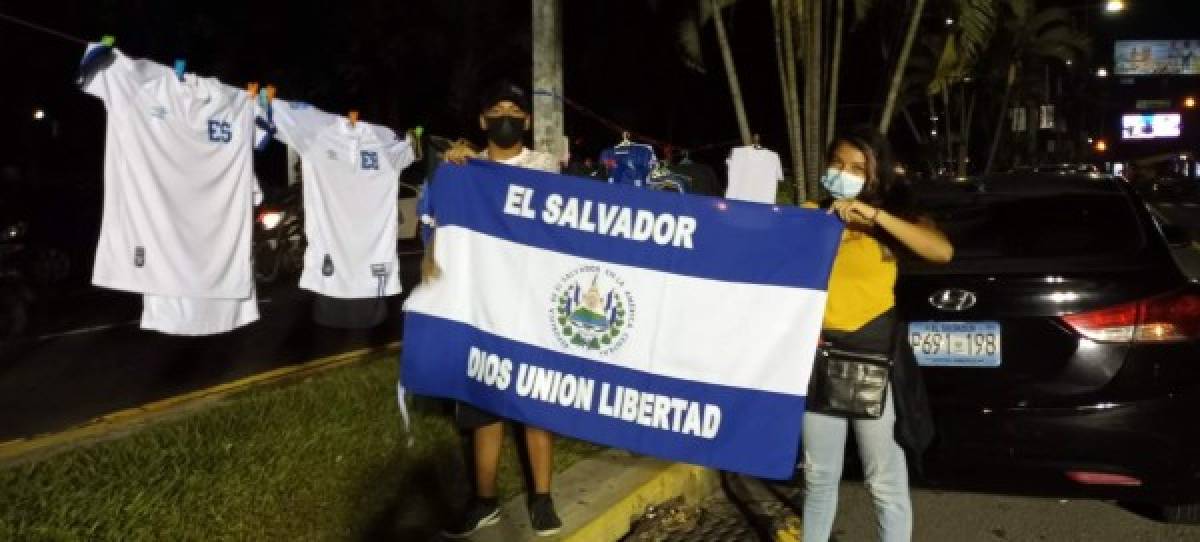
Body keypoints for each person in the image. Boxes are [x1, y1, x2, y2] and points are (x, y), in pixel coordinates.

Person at [802, 126, 953, 542]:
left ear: (875, 175)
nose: (845, 173)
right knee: (818, 477)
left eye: (857, 168)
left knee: (883, 478)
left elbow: (941, 251)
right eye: (838, 164)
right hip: (819, 359)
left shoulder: (891, 217)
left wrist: (875, 216)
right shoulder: (811, 213)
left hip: (873, 360)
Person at [434, 81, 563, 538]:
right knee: (482, 406)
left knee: (535, 405)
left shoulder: (543, 166)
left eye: (514, 110)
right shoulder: (465, 168)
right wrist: (453, 165)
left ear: (526, 121)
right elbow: (439, 226)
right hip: (481, 305)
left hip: (530, 303)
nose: (505, 116)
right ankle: (483, 500)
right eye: (497, 109)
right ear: (482, 120)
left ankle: (542, 498)